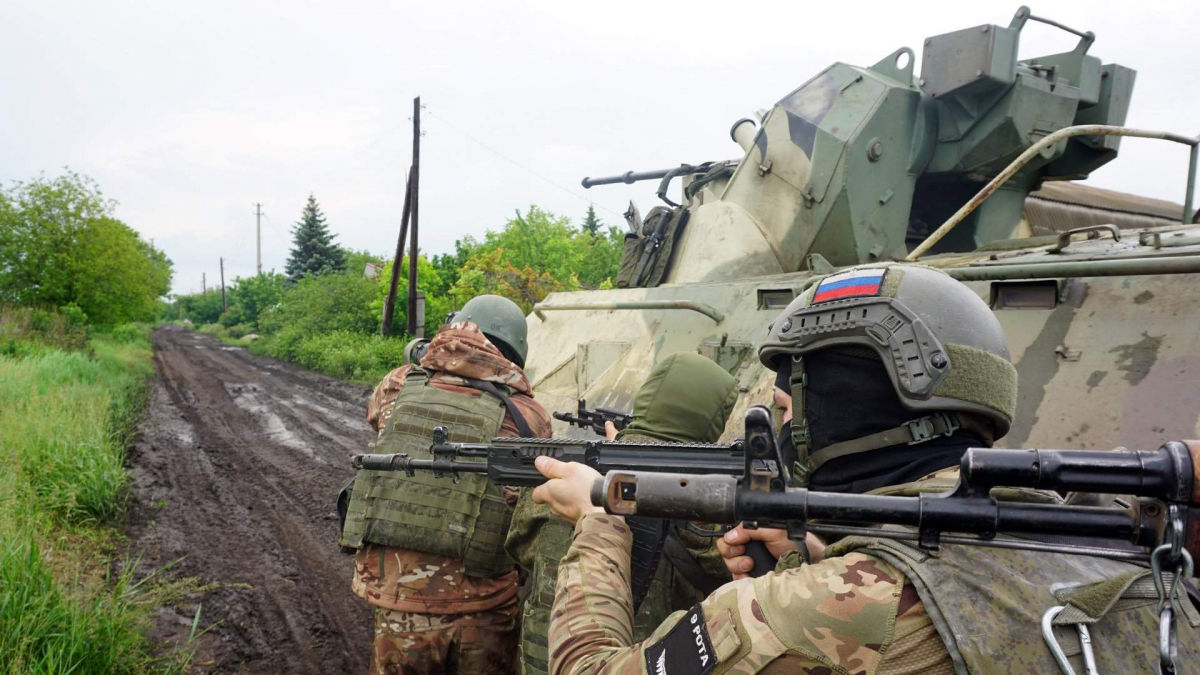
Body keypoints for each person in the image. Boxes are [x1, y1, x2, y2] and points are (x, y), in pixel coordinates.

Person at [531, 264, 1200, 673]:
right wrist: (820, 553)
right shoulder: (1121, 553)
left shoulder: (816, 609)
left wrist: (599, 522)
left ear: (844, 410)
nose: (783, 430)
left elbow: (591, 667)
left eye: (791, 407)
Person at [339, 295, 552, 675]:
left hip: (401, 602)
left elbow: (378, 417)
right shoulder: (530, 416)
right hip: (486, 606)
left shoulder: (397, 384)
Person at [505, 352, 738, 675]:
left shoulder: (568, 476)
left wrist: (622, 454)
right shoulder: (711, 507)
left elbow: (520, 546)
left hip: (544, 659)